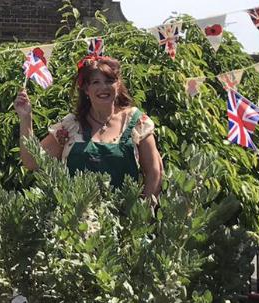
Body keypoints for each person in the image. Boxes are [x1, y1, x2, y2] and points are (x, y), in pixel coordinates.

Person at [14, 56, 163, 198]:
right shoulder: (71, 126)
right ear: (86, 89)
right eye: (96, 82)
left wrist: (142, 212)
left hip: (124, 214)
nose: (103, 87)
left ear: (118, 85)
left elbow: (154, 173)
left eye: (109, 81)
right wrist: (26, 117)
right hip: (77, 215)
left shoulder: (136, 123)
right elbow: (32, 161)